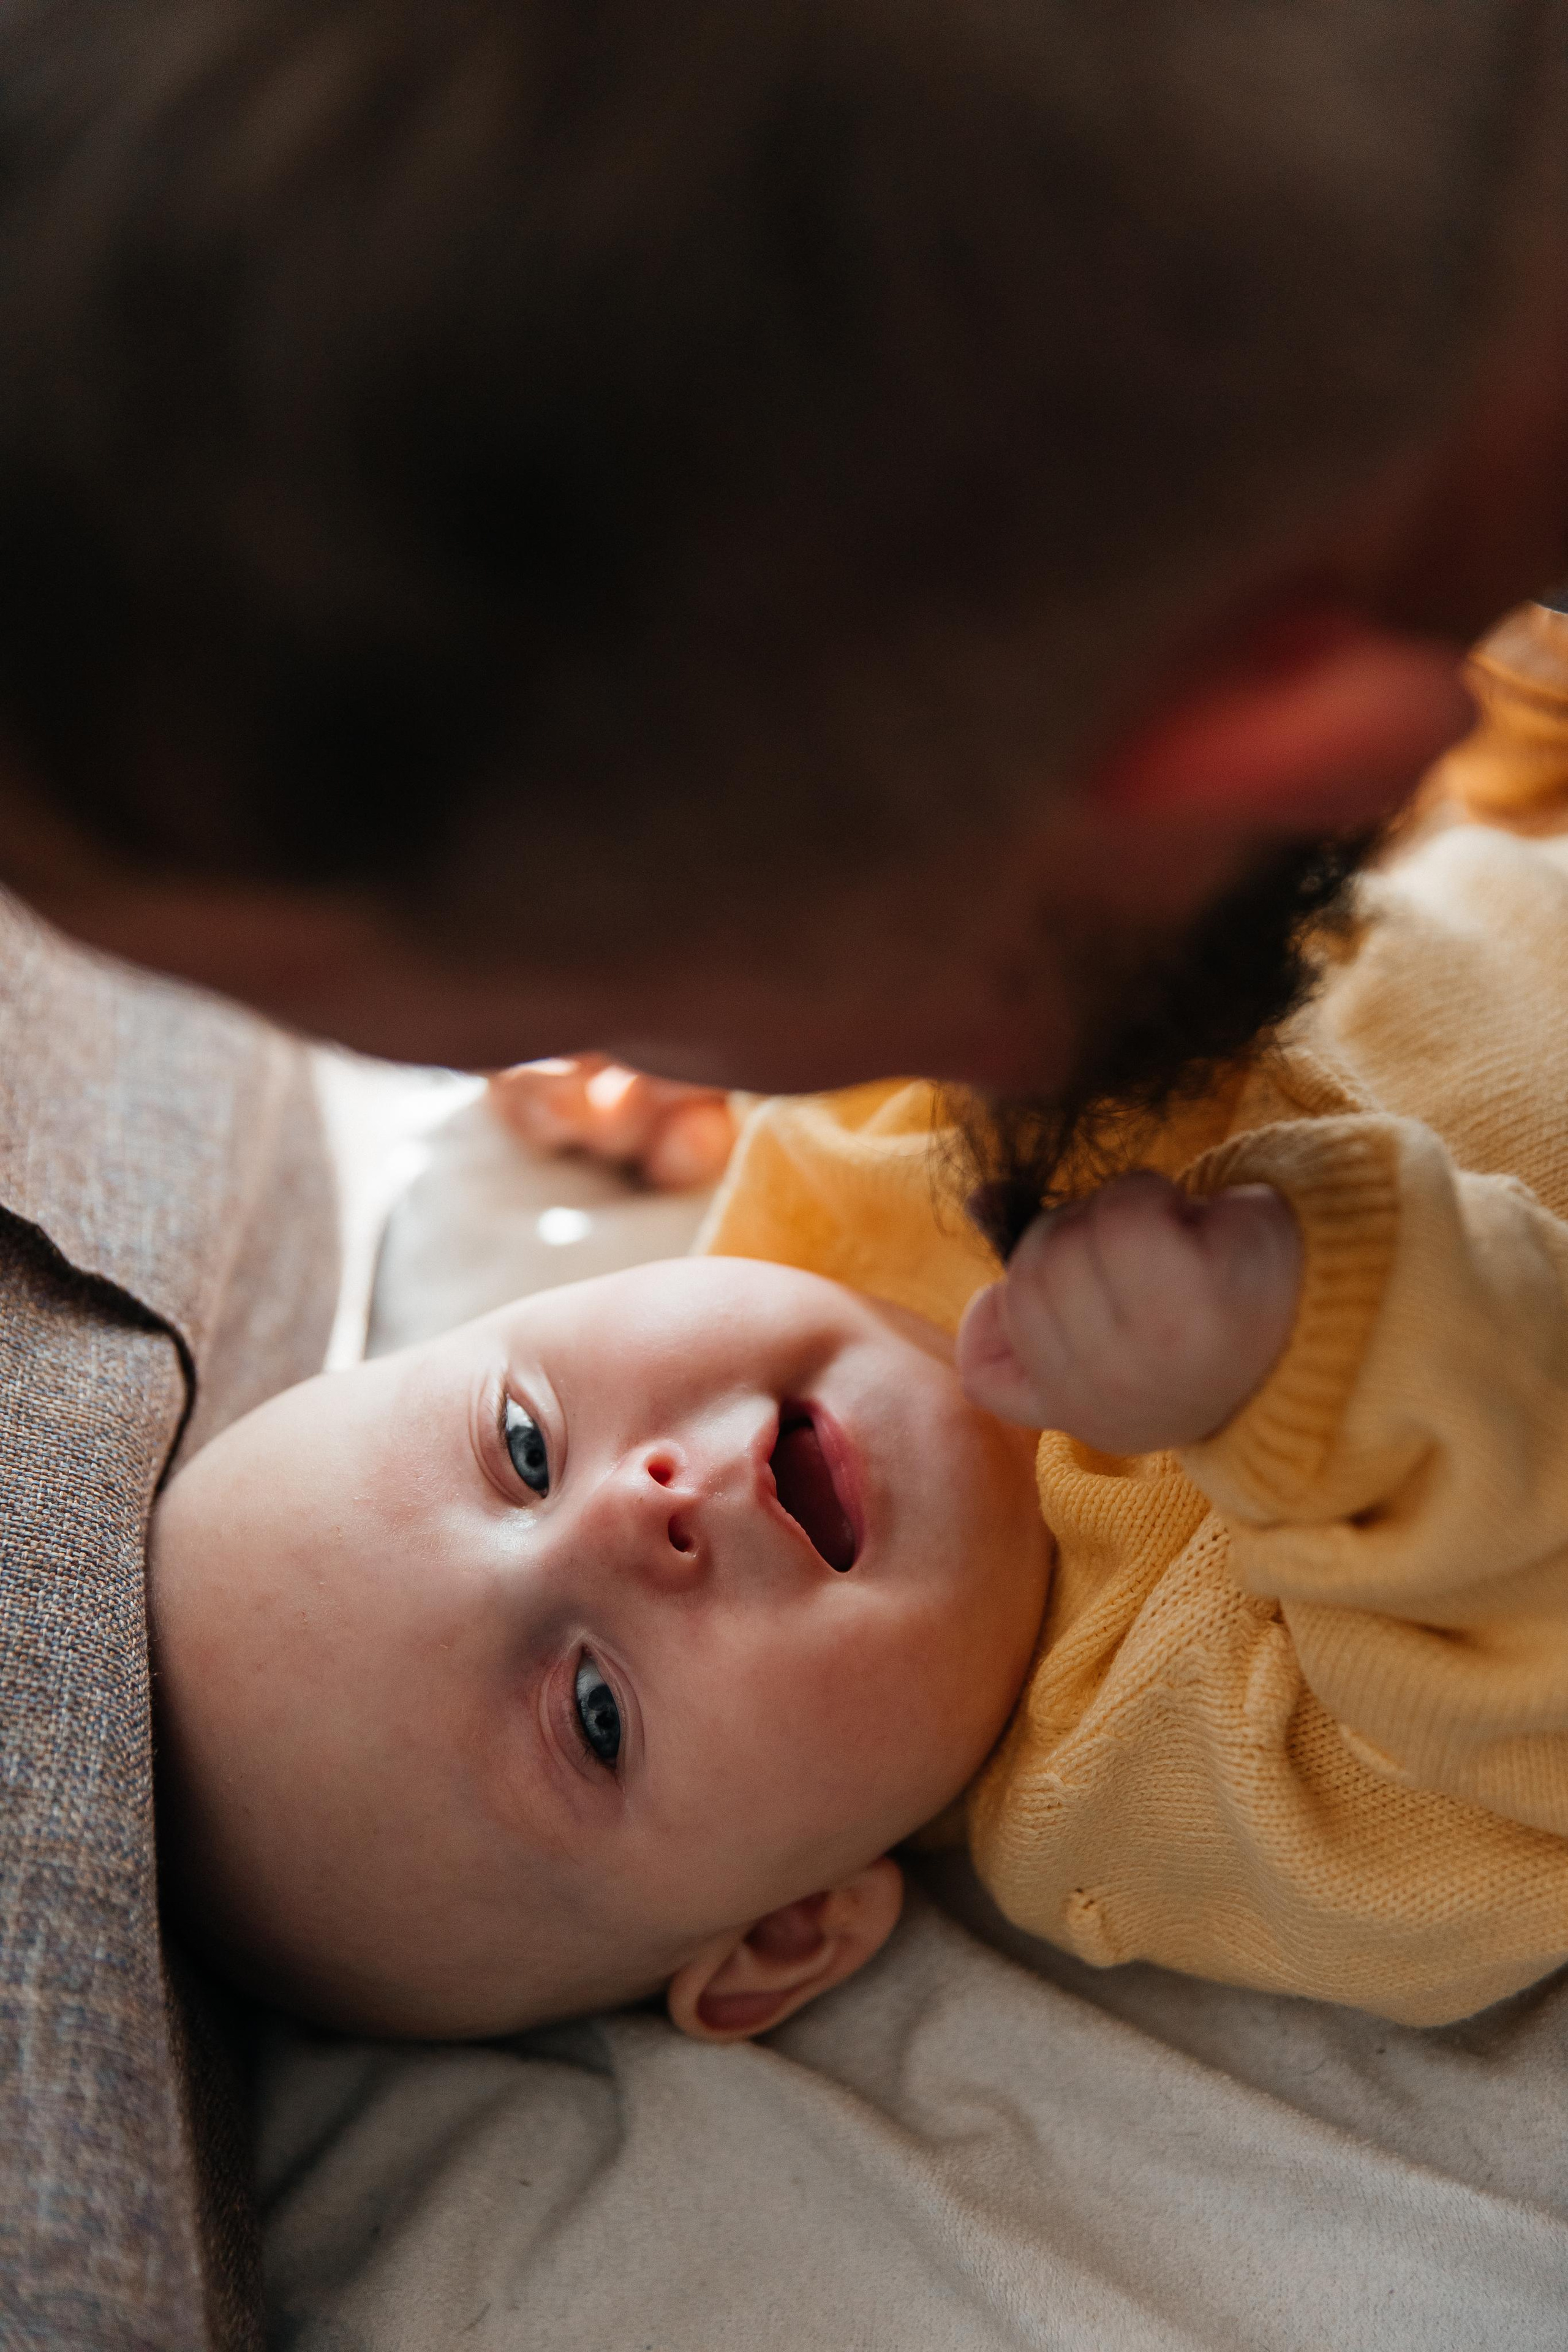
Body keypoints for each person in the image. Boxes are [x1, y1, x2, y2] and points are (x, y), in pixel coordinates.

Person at [149, 809, 1568, 2056]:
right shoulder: (1175, 1798)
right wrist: (1293, 1351)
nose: (630, 1510)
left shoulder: (825, 1128)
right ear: (789, 1934)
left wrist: (701, 1032)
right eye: (594, 1713)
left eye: (523, 1448)